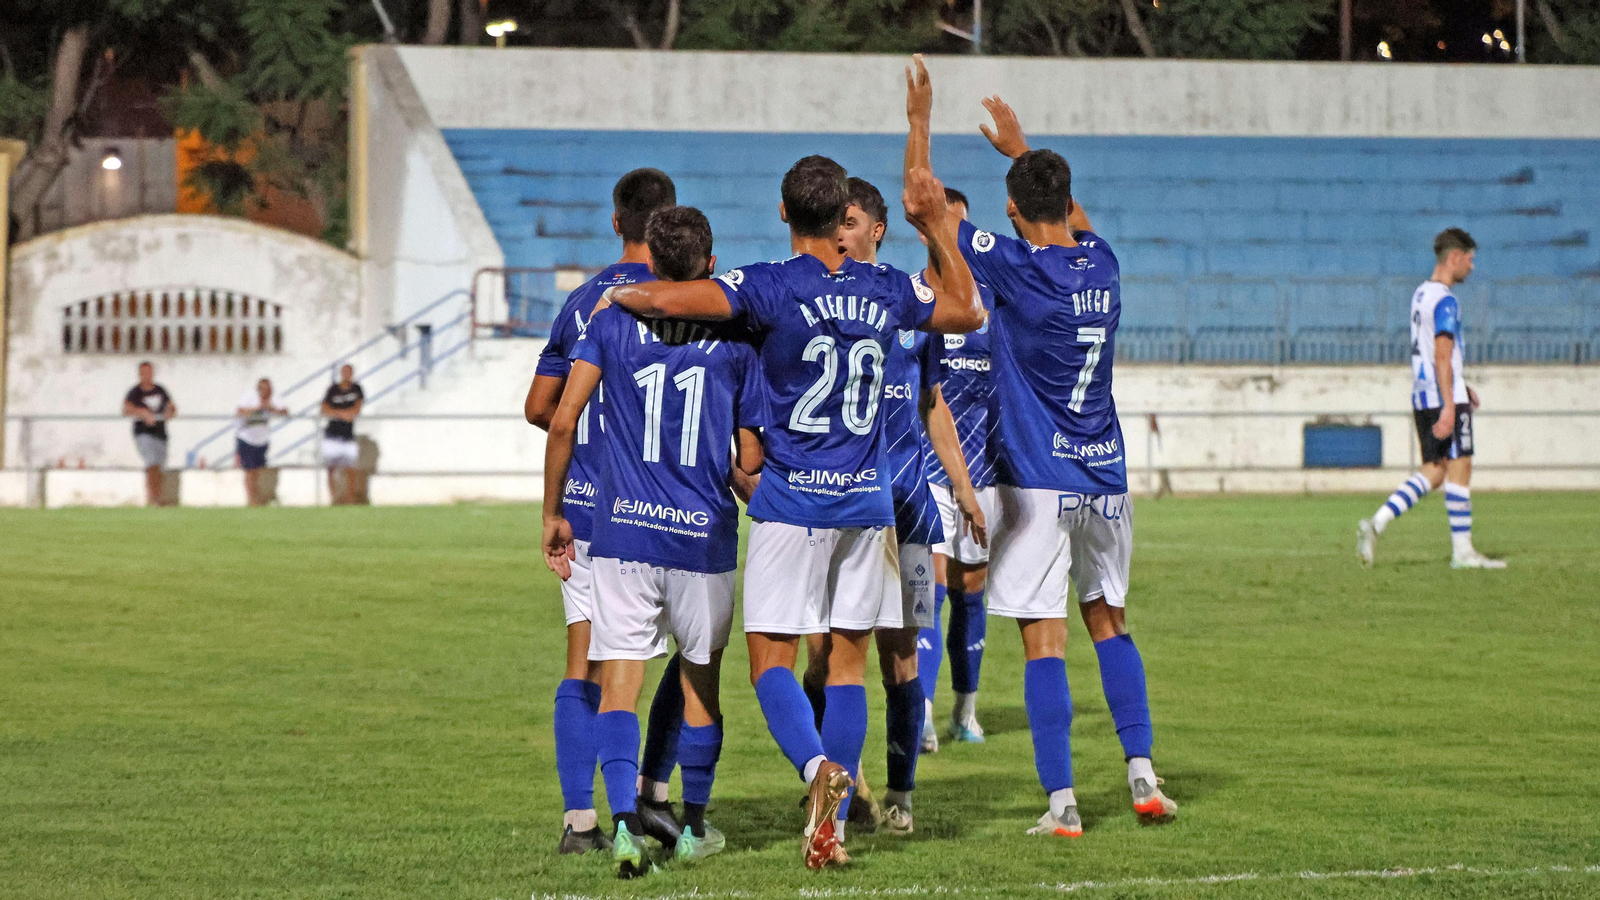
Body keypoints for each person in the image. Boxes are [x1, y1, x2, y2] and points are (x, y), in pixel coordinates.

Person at [602, 151, 985, 868]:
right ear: (842, 216)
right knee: (847, 668)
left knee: (769, 665)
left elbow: (675, 299)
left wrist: (623, 296)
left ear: (784, 212)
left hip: (792, 500)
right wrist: (938, 228)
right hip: (867, 505)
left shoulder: (770, 285)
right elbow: (968, 310)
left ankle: (819, 772)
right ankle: (829, 828)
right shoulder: (886, 287)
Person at [907, 55, 1176, 836]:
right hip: (1107, 479)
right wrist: (1023, 152)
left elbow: (923, 202)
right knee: (1111, 621)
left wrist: (920, 120)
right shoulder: (1104, 261)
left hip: (1038, 478)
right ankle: (1143, 776)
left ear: (1014, 211)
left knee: (1044, 641)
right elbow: (1072, 216)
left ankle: (1063, 806)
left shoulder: (1017, 266)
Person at [543, 206, 767, 878]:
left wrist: (553, 513)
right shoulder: (736, 337)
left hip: (624, 535)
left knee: (620, 685)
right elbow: (749, 457)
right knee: (701, 687)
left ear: (651, 261)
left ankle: (621, 827)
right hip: (701, 537)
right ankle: (692, 827)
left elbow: (561, 421)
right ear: (709, 264)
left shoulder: (611, 323)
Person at [806, 175, 985, 837]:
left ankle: (901, 796)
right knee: (822, 661)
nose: (839, 233)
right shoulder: (816, 305)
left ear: (876, 230)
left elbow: (933, 404)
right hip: (835, 509)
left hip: (908, 508)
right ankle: (837, 783)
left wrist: (963, 488)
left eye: (850, 222)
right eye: (834, 222)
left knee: (901, 658)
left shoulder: (913, 307)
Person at [521, 167, 687, 855]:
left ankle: (579, 820)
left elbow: (540, 407)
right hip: (663, 507)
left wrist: (582, 448)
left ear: (616, 222)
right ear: (669, 221)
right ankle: (652, 795)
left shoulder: (583, 302)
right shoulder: (684, 298)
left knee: (584, 662)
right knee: (688, 654)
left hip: (587, 507)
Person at [1359, 228, 1505, 570]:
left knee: (1435, 471)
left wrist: (1462, 385)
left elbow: (1429, 352)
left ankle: (1377, 523)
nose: (1471, 266)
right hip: (1443, 397)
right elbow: (1442, 354)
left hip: (1422, 395)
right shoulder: (1447, 301)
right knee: (1460, 467)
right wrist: (1451, 403)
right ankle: (1463, 553)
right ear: (1454, 257)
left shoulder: (1421, 294)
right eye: (1469, 259)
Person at [917, 187, 999, 752]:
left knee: (972, 591)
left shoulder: (990, 305)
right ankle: (920, 713)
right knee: (930, 589)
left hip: (984, 469)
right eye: (942, 224)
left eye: (959, 226)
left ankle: (964, 710)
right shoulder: (912, 299)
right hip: (925, 467)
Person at [123, 361, 176, 506]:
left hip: (160, 433)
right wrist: (142, 413)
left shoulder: (160, 390)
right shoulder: (135, 392)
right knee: (152, 463)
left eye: (149, 372)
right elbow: (126, 409)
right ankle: (153, 497)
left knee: (160, 467)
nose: (147, 375)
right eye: (144, 372)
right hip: (143, 433)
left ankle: (159, 496)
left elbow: (171, 406)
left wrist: (169, 412)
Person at [235, 377, 287, 507]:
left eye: (268, 389)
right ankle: (251, 500)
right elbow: (240, 412)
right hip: (246, 439)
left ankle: (257, 498)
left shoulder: (274, 399)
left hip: (262, 441)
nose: (266, 392)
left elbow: (285, 412)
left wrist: (271, 408)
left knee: (258, 470)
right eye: (263, 389)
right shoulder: (249, 397)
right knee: (249, 470)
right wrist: (258, 408)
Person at [320, 365, 364, 505]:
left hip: (348, 436)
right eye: (345, 372)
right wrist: (341, 414)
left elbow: (356, 410)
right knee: (331, 469)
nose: (347, 374)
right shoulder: (333, 389)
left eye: (349, 372)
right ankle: (333, 498)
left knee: (350, 469)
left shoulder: (356, 389)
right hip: (332, 435)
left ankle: (350, 498)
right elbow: (324, 408)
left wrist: (341, 414)